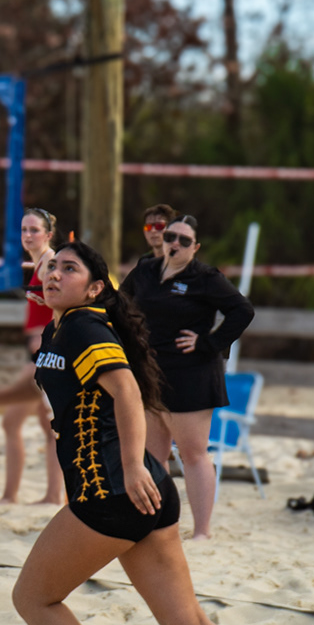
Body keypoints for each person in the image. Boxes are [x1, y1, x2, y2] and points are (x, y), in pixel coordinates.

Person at [0, 240, 284, 625]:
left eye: (70, 268)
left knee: (33, 598)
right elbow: (48, 384)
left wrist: (130, 466)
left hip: (113, 489)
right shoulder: (59, 330)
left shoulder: (85, 327)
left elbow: (127, 392)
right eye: (52, 266)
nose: (55, 273)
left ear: (97, 288)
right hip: (143, 491)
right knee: (188, 622)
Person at [120, 215, 254, 539]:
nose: (174, 243)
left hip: (191, 372)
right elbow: (118, 304)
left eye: (183, 240)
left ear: (195, 247)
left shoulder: (204, 277)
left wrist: (209, 343)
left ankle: (202, 531)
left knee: (193, 453)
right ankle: (159, 525)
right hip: (150, 371)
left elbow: (243, 311)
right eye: (169, 236)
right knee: (152, 456)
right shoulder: (147, 269)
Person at [0, 207, 64, 506]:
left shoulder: (50, 262)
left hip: (44, 356)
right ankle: (51, 495)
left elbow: (64, 307)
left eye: (34, 230)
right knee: (49, 429)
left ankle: (11, 495)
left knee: (12, 421)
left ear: (48, 234)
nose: (27, 235)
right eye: (24, 230)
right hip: (39, 353)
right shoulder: (41, 263)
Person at [131, 204, 178, 270]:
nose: (153, 231)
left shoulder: (181, 262)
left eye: (159, 226)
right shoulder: (144, 264)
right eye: (148, 227)